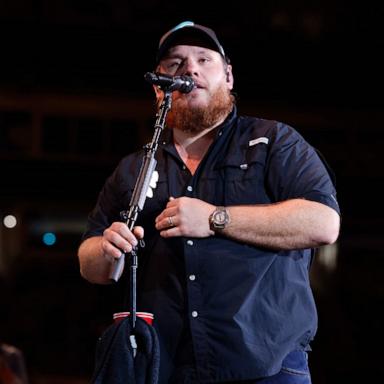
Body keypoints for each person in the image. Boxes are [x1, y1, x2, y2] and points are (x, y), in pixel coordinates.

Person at [78, 20, 341, 384]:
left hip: (268, 367)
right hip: (164, 368)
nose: (190, 69)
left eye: (204, 60)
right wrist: (107, 251)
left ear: (228, 77)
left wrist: (217, 218)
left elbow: (323, 223)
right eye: (175, 63)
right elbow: (90, 260)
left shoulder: (275, 142)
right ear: (159, 88)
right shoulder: (134, 168)